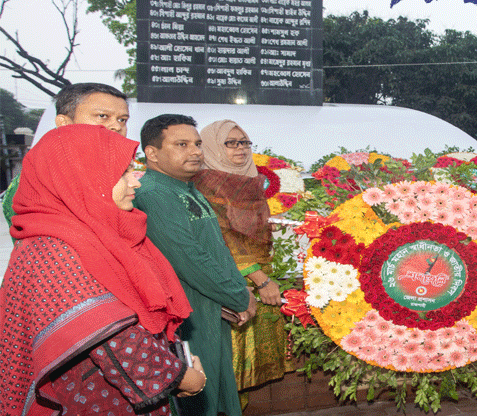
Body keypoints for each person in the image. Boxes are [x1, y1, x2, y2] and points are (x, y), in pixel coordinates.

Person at [0, 125, 205, 415]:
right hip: (96, 399)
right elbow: (113, 336)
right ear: (79, 179)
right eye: (121, 174)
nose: (135, 183)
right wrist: (184, 377)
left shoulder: (98, 231)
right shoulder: (53, 248)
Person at [134, 114, 254, 416]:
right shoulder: (154, 194)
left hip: (209, 306)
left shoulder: (185, 188)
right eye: (181, 144)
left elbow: (215, 248)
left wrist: (233, 294)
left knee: (214, 389)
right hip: (186, 313)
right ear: (152, 153)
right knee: (195, 391)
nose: (196, 151)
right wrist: (238, 296)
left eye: (197, 144)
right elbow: (188, 258)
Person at [192, 120, 293, 403]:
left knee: (243, 372)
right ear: (212, 145)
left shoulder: (250, 180)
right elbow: (222, 237)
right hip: (232, 279)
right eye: (231, 142)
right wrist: (261, 280)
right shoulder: (204, 184)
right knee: (227, 361)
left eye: (244, 142)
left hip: (259, 273)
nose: (240, 148)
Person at [2, 82, 130, 226]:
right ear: (64, 122)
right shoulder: (34, 181)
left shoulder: (118, 175)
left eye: (122, 120)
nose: (117, 126)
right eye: (102, 116)